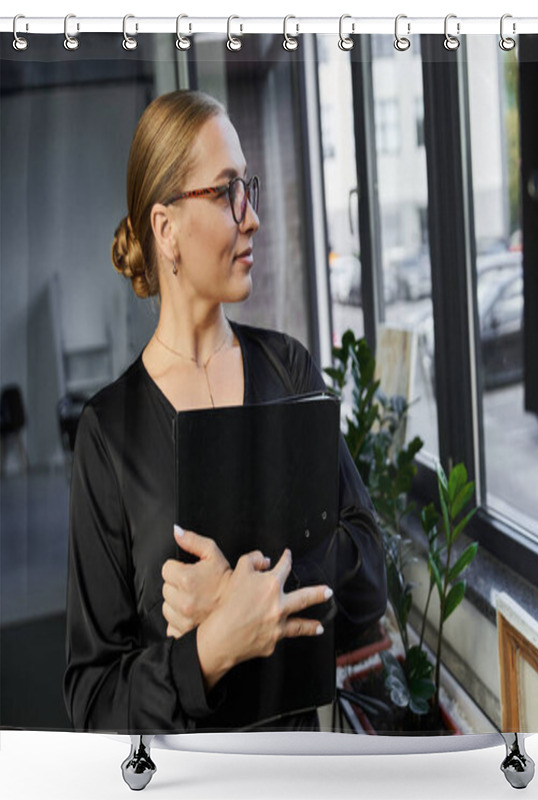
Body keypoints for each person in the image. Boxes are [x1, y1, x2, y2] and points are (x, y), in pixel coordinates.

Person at [63, 90, 387, 734]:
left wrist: (239, 592)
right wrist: (210, 650)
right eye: (227, 191)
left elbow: (370, 579)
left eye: (251, 187)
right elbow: (93, 700)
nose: (253, 217)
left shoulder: (288, 370)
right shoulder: (107, 434)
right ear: (167, 229)